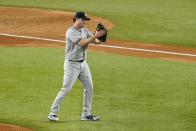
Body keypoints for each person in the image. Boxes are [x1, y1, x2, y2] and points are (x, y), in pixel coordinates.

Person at [48, 11, 106, 121]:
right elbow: (82, 43)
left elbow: (95, 41)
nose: (85, 22)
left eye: (86, 20)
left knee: (89, 87)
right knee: (66, 89)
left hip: (83, 64)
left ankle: (86, 114)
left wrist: (100, 36)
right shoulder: (70, 32)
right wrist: (95, 36)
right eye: (83, 19)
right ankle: (52, 113)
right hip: (71, 65)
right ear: (77, 19)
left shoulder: (85, 30)